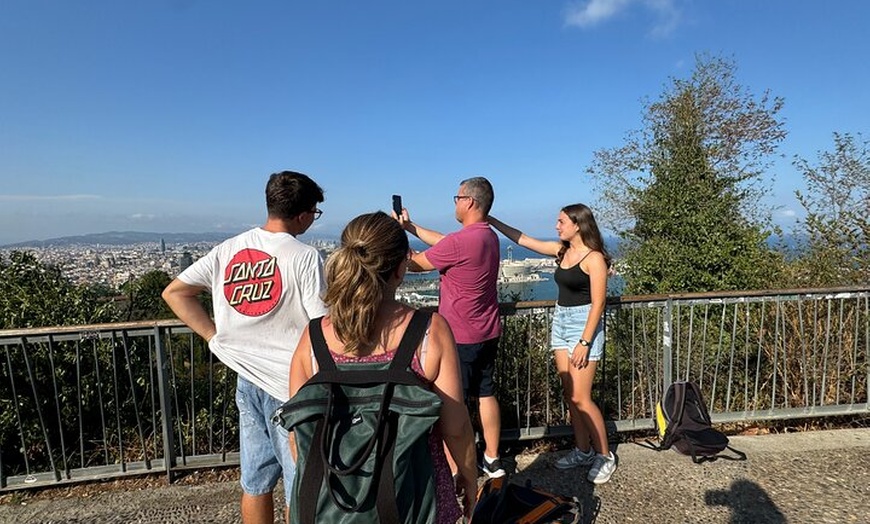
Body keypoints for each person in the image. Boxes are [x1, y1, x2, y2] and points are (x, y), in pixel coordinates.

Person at [288, 211, 478, 522]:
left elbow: (299, 434)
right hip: (414, 499)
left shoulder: (313, 339)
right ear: (402, 267)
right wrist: (469, 475)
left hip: (332, 504)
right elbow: (455, 427)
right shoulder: (428, 330)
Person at [162, 171, 328, 523]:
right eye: (315, 213)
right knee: (300, 486)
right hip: (291, 386)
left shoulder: (229, 249)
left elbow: (175, 292)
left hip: (246, 381)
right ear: (303, 214)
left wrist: (212, 337)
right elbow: (321, 325)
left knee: (255, 483)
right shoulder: (304, 256)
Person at [489, 204, 617, 484]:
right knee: (570, 396)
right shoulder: (562, 252)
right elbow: (523, 239)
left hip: (584, 326)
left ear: (577, 224)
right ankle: (582, 450)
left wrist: (585, 341)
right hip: (561, 322)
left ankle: (605, 455)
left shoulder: (594, 258)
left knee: (582, 397)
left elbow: (599, 303)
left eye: (561, 222)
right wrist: (491, 220)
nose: (556, 226)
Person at [395, 176, 505, 478]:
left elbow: (417, 264)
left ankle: (457, 468)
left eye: (457, 198)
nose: (454, 203)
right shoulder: (487, 236)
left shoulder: (461, 242)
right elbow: (446, 243)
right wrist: (411, 226)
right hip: (489, 330)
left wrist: (400, 245)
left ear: (469, 201)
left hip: (461, 336)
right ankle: (492, 458)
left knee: (454, 405)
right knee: (486, 394)